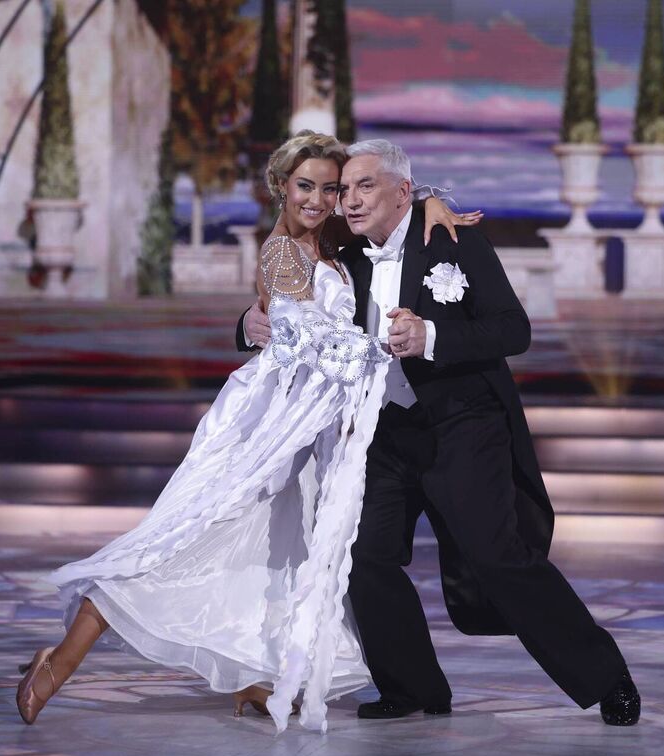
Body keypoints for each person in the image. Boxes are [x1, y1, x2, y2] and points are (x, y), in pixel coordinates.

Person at [15, 131, 480, 734]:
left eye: (330, 189)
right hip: (268, 421)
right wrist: (382, 350)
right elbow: (309, 340)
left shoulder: (331, 241)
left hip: (312, 427)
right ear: (281, 187)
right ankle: (57, 664)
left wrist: (429, 202)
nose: (318, 200)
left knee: (275, 549)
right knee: (183, 537)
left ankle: (256, 679)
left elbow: (393, 212)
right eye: (306, 186)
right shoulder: (282, 253)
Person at [239, 139, 641, 726]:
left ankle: (606, 679)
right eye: (345, 190)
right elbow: (296, 302)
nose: (350, 201)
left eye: (364, 187)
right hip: (381, 433)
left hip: (462, 427)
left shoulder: (453, 242)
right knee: (363, 555)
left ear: (403, 192)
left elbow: (514, 330)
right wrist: (248, 325)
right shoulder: (344, 253)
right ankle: (412, 687)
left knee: (498, 558)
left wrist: (432, 336)